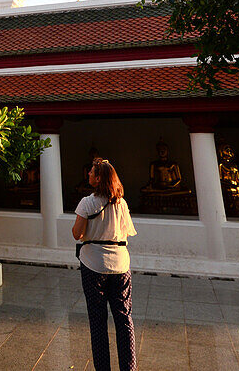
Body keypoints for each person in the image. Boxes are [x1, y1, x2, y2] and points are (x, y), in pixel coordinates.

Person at [72, 158, 137, 371]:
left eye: (91, 172)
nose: (88, 175)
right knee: (124, 318)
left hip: (93, 265)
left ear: (98, 178)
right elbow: (127, 231)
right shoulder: (122, 203)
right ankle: (129, 368)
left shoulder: (87, 202)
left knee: (98, 321)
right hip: (121, 265)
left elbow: (77, 233)